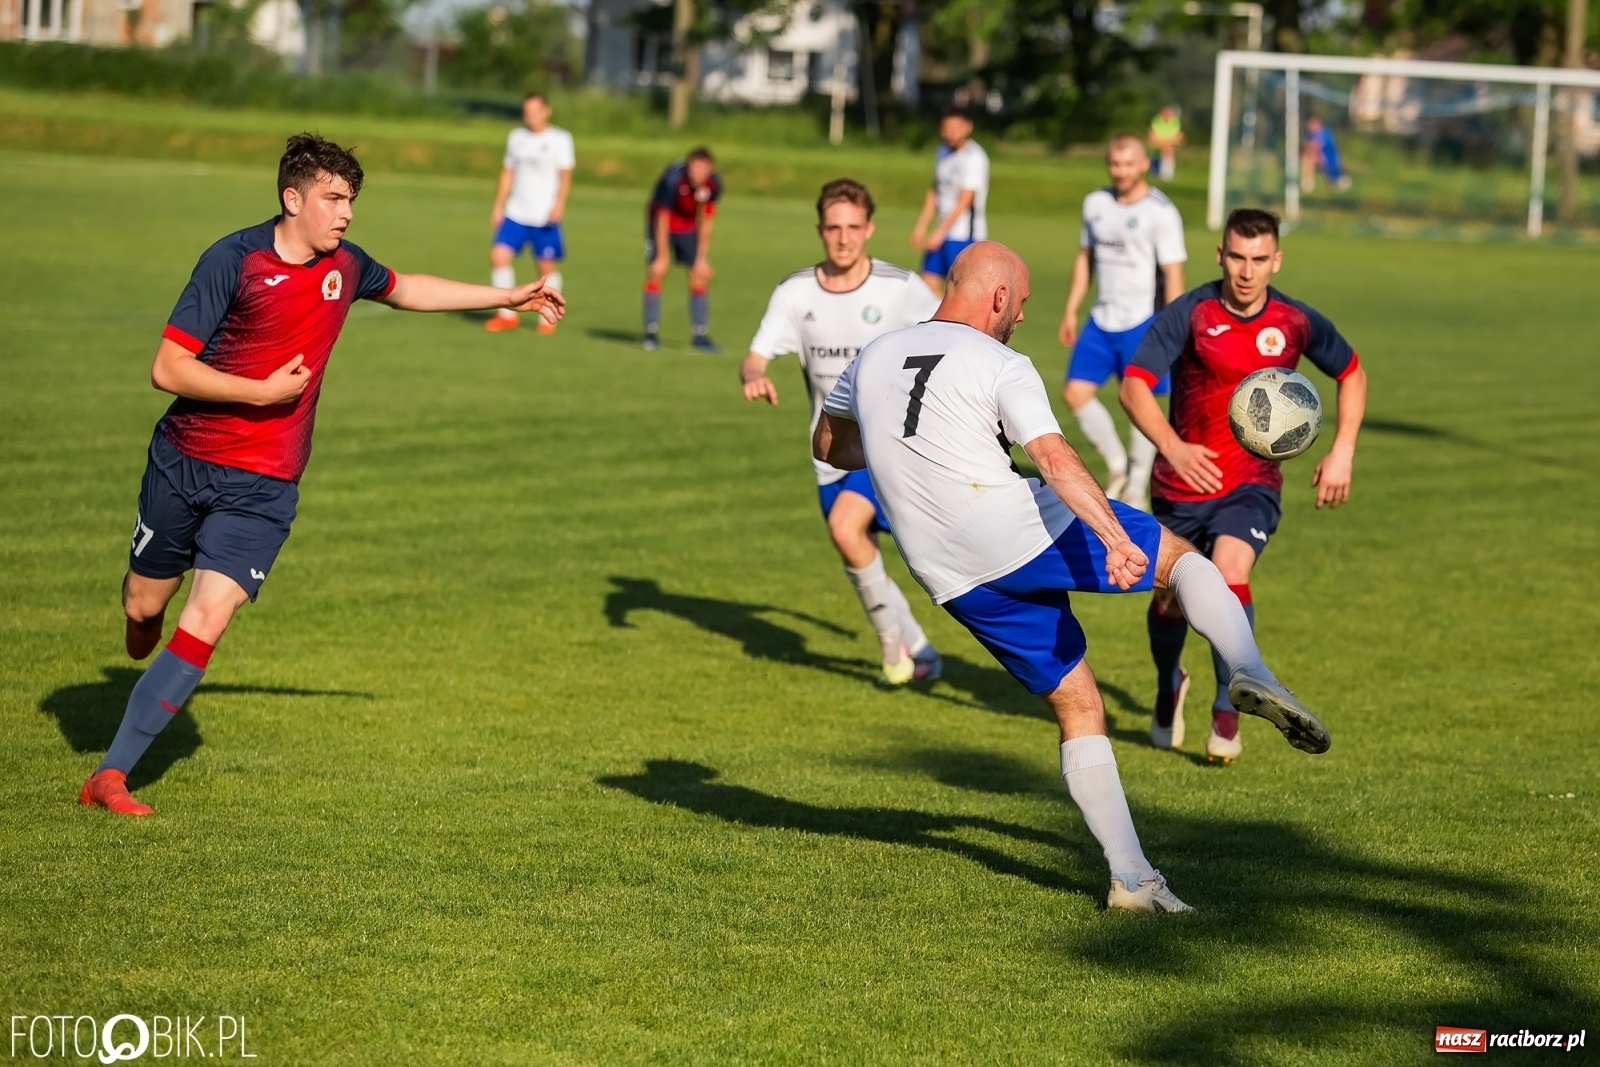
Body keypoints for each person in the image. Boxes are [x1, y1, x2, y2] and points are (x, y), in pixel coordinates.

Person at [814, 242, 1331, 913]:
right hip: (1009, 523)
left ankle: (1132, 879)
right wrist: (1117, 538)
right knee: (1180, 558)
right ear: (998, 297)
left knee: (1078, 703)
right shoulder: (1001, 361)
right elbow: (1055, 459)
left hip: (944, 570)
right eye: (1022, 304)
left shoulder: (874, 355)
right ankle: (1249, 667)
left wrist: (889, 448)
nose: (1021, 317)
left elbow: (829, 445)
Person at [82, 134, 565, 817]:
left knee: (210, 615)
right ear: (292, 198)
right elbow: (168, 368)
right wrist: (259, 392)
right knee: (142, 605)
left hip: (266, 482)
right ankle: (142, 620)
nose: (345, 214)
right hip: (185, 460)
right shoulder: (233, 260)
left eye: (351, 201)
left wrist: (505, 295)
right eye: (332, 199)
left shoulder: (347, 266)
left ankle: (110, 774)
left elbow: (406, 288)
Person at [1119, 208, 1366, 763]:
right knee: (1170, 602)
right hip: (1180, 487)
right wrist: (1174, 447)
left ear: (1276, 260)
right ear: (1221, 255)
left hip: (1249, 486)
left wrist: (1343, 451)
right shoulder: (1191, 313)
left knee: (1230, 575)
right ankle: (1168, 683)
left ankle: (1227, 709)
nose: (1246, 271)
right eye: (1237, 257)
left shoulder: (1296, 322)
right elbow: (1134, 385)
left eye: (1258, 260)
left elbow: (1351, 371)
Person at [740, 179, 943, 686]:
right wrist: (754, 375)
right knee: (857, 549)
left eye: (854, 227)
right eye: (834, 227)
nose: (844, 238)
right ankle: (919, 647)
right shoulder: (795, 293)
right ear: (819, 230)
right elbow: (755, 355)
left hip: (891, 449)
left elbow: (951, 334)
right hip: (829, 452)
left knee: (847, 531)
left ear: (870, 229)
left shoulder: (899, 288)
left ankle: (891, 652)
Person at [1059, 134, 1187, 512]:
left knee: (1139, 401)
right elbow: (1085, 259)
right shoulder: (1095, 203)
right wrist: (1071, 308)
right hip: (1101, 319)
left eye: (1129, 164)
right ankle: (1117, 466)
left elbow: (1173, 275)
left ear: (1144, 163)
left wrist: (1174, 329)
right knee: (1074, 394)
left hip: (1143, 321)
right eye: (1115, 164)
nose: (1121, 171)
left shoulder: (1161, 211)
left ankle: (1136, 485)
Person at [486, 91, 575, 335]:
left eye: (535, 112)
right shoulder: (517, 137)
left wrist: (559, 205)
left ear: (547, 111)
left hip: (544, 215)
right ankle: (506, 315)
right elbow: (508, 173)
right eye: (527, 112)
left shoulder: (561, 139)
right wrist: (498, 205)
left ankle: (548, 317)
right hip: (516, 212)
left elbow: (565, 177)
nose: (531, 117)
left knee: (545, 267)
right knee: (498, 257)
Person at [643, 147, 722, 352]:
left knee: (698, 274)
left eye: (703, 168)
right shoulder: (672, 181)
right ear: (688, 166)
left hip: (688, 226)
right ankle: (651, 334)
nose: (698, 173)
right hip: (661, 224)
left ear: (710, 169)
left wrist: (701, 257)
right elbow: (661, 219)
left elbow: (706, 220)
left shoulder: (714, 184)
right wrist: (661, 255)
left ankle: (700, 336)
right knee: (657, 271)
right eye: (694, 167)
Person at [910, 107, 990, 293]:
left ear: (967, 127)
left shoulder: (974, 157)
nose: (950, 133)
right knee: (927, 282)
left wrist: (940, 232)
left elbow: (966, 200)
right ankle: (942, 321)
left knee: (960, 290)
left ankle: (956, 322)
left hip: (963, 235)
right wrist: (921, 225)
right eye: (946, 128)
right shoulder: (942, 152)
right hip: (943, 230)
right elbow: (935, 190)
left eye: (955, 128)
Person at [1301, 117, 1352, 192]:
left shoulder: (1324, 133)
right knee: (1307, 159)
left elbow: (1315, 146)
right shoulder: (1311, 134)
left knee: (1332, 178)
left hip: (1329, 158)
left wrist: (1318, 155)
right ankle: (1307, 181)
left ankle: (1339, 181)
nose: (1310, 127)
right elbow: (1308, 146)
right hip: (1321, 158)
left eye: (1312, 124)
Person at [1146, 106, 1184, 182]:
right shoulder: (1156, 120)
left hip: (1169, 144)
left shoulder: (1175, 122)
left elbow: (1178, 135)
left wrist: (1167, 143)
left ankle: (1166, 174)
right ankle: (1156, 172)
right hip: (1158, 143)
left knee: (1168, 150)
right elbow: (1152, 134)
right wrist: (1161, 143)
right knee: (1159, 151)